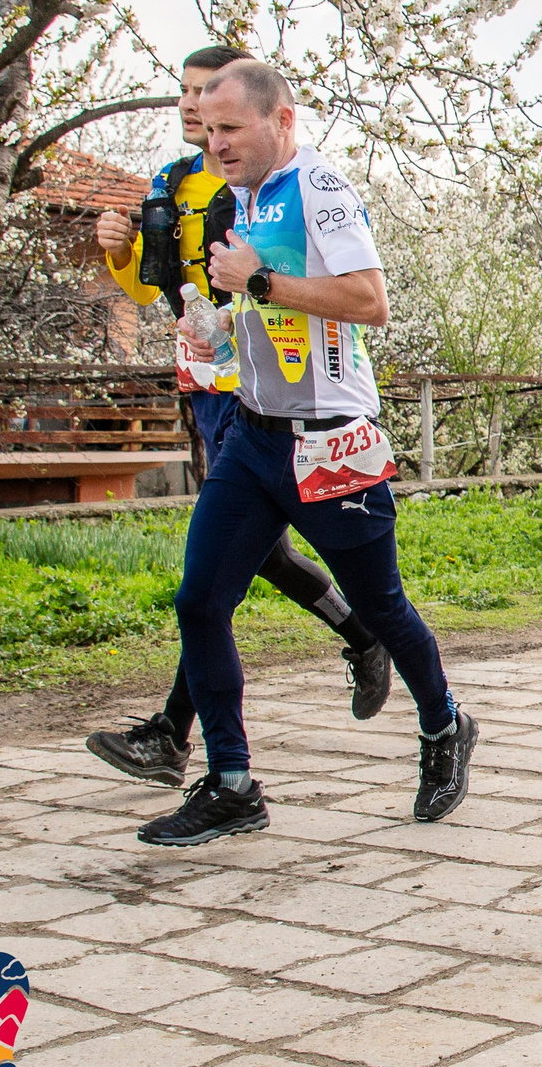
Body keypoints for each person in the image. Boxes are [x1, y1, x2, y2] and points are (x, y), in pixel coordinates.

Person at [138, 61, 472, 845]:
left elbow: (368, 302)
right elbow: (263, 306)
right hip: (256, 436)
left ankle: (444, 727)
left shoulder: (320, 190)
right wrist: (221, 327)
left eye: (231, 129)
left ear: (281, 121)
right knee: (199, 602)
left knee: (381, 607)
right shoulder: (243, 198)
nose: (215, 143)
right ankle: (231, 782)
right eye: (209, 128)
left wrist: (259, 285)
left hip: (331, 442)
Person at [85, 47, 392, 790]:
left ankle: (182, 734)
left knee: (232, 561)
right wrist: (120, 255)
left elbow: (334, 287)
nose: (194, 111)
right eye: (185, 96)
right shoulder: (173, 182)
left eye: (209, 98)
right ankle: (358, 635)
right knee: (243, 556)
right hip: (207, 380)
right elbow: (157, 284)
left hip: (272, 386)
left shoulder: (269, 181)